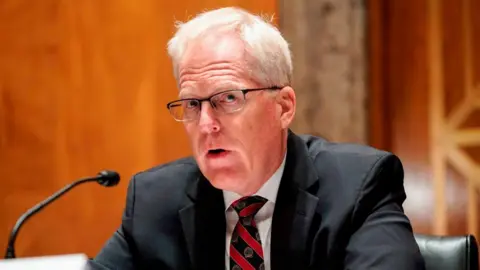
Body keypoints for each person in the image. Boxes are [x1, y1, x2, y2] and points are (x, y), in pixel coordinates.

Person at [88, 7, 425, 270]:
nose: (206, 124)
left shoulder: (357, 187)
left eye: (229, 98)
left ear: (284, 107)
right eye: (192, 103)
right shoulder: (155, 201)